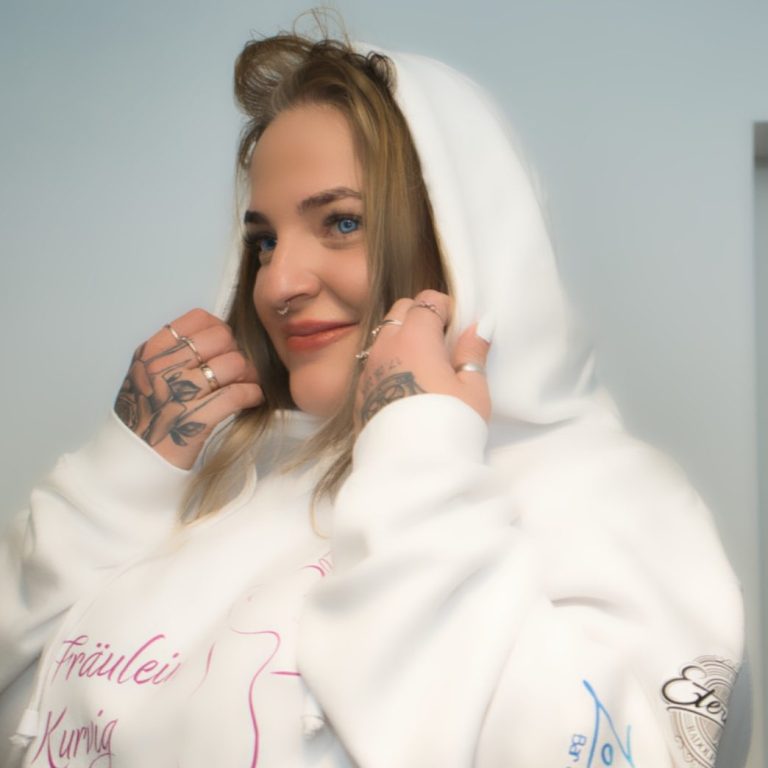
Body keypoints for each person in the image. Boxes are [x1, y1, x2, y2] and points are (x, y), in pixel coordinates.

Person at [0, 26, 744, 768]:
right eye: (263, 241)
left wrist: (420, 460)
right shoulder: (224, 481)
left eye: (343, 223)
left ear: (460, 239)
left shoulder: (612, 503)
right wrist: (116, 483)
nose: (277, 284)